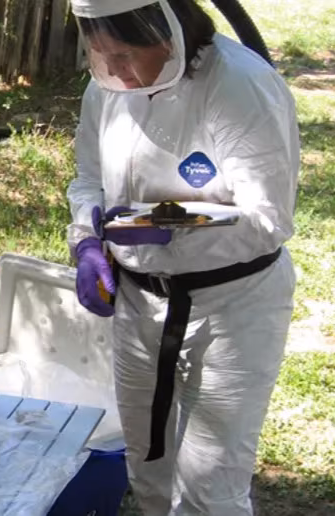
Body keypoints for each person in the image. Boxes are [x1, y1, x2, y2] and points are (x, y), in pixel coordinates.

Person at [66, 1, 299, 514]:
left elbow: (268, 219)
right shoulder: (107, 88)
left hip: (232, 307)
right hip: (138, 301)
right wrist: (86, 240)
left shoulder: (240, 86)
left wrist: (169, 226)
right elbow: (88, 177)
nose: (115, 71)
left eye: (125, 54)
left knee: (210, 487)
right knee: (147, 465)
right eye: (101, 55)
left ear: (169, 34)